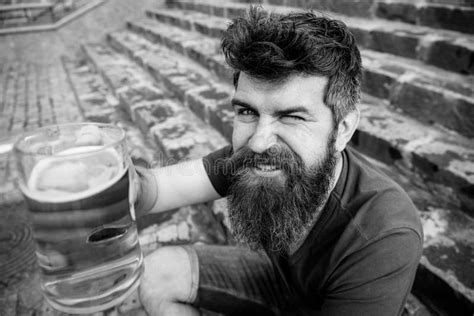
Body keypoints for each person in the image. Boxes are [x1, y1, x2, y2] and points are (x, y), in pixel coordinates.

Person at [134, 6, 423, 316]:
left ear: (343, 129)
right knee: (153, 275)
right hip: (275, 280)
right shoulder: (254, 157)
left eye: (293, 117)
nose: (259, 142)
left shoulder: (384, 233)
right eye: (247, 111)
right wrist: (107, 181)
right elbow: (157, 188)